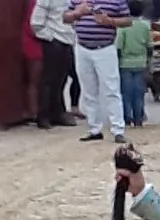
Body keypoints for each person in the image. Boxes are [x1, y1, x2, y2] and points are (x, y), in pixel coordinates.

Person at [64, 0, 133, 143]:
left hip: (105, 48)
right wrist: (77, 13)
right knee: (88, 91)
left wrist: (109, 21)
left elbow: (128, 20)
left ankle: (118, 129)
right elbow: (65, 18)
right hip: (82, 48)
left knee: (111, 90)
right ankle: (94, 129)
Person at [31, 0, 79, 129]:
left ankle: (57, 113)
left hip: (68, 41)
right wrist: (51, 38)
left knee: (61, 80)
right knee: (48, 80)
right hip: (53, 42)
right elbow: (36, 23)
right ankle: (43, 116)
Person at [116, 0, 152, 127]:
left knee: (126, 93)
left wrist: (117, 62)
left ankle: (127, 117)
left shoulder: (123, 26)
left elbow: (119, 46)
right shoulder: (145, 26)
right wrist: (148, 62)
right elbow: (149, 46)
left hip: (125, 64)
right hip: (140, 64)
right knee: (139, 93)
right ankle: (138, 118)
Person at [22, 0, 43, 124]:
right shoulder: (36, 3)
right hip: (34, 45)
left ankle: (36, 110)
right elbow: (32, 26)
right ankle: (33, 111)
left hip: (38, 44)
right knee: (34, 81)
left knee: (37, 81)